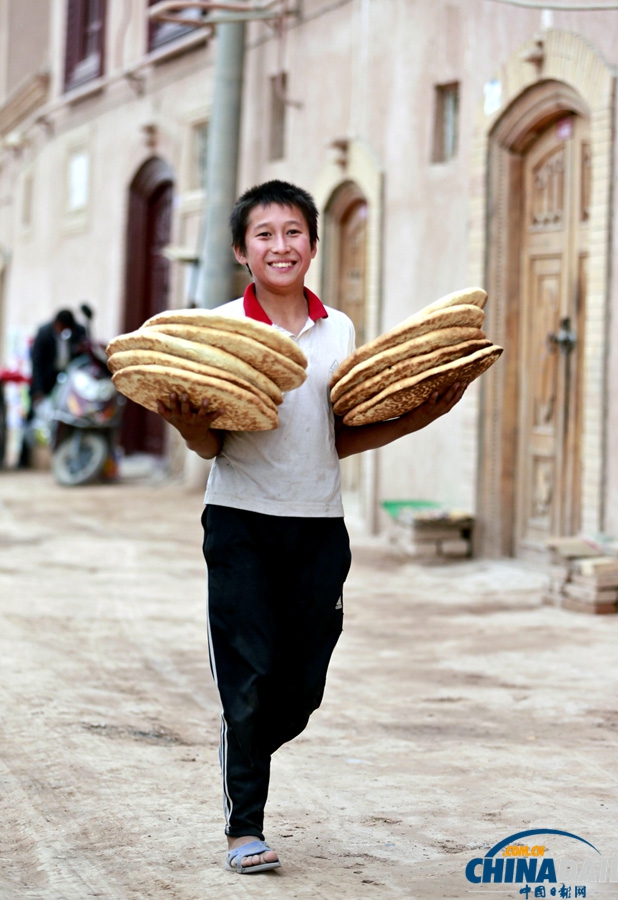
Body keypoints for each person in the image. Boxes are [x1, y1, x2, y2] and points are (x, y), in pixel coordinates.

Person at [157, 180, 466, 874]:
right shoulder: (219, 330)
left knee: (300, 690)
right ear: (242, 250)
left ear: (314, 245)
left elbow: (336, 437)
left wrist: (424, 414)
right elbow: (211, 445)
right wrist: (183, 416)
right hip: (241, 522)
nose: (280, 245)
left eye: (293, 232)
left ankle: (245, 738)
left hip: (320, 528)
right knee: (248, 676)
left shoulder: (341, 330)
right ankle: (246, 829)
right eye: (264, 234)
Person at [19, 309, 87, 467]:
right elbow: (36, 364)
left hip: (68, 379)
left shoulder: (79, 332)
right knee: (31, 417)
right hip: (46, 379)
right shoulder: (44, 333)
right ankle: (23, 460)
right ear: (57, 324)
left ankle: (64, 458)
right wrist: (38, 391)